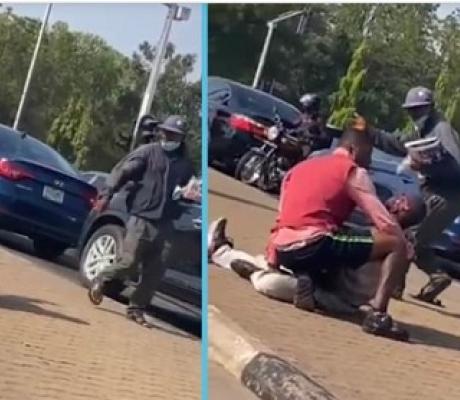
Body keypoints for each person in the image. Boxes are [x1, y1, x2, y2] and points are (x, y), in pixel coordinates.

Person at [264, 117, 412, 340]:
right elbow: (385, 223)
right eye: (368, 154)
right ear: (353, 149)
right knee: (395, 243)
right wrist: (405, 248)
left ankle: (309, 280)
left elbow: (282, 217)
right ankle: (378, 316)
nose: (369, 161)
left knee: (344, 238)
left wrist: (273, 258)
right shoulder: (352, 171)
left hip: (285, 249)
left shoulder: (301, 167)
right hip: (316, 242)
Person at [209, 194, 426, 312]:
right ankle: (222, 251)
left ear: (404, 210)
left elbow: (341, 257)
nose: (394, 201)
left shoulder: (390, 240)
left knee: (269, 283)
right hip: (322, 281)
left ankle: (248, 271)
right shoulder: (384, 233)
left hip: (334, 297)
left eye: (401, 201)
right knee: (268, 262)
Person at [88, 115, 198, 328]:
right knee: (129, 263)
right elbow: (123, 172)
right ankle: (102, 277)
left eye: (175, 135)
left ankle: (136, 309)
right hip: (141, 219)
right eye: (167, 133)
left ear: (182, 138)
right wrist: (106, 195)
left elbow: (190, 187)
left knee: (156, 270)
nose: (170, 138)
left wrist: (190, 193)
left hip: (166, 222)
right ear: (161, 132)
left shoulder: (184, 165)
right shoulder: (148, 153)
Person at [371, 87, 460, 306]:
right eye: (411, 111)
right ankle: (436, 277)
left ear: (429, 108)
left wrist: (431, 165)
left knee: (412, 239)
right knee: (413, 238)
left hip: (447, 198)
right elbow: (399, 144)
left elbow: (457, 166)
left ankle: (396, 286)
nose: (415, 114)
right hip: (431, 194)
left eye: (419, 110)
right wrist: (372, 133)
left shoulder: (442, 129)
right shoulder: (419, 130)